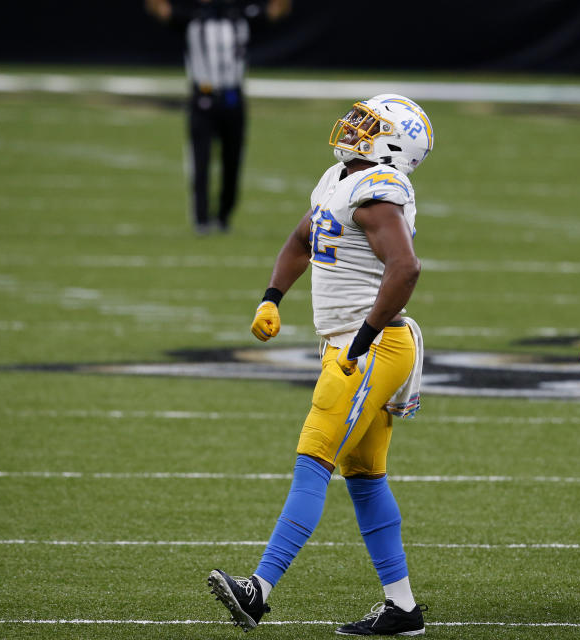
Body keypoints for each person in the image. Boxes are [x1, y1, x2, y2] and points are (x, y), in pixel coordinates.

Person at [206, 94, 433, 635]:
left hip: (371, 347)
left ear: (394, 143)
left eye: (368, 124)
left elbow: (405, 268)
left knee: (314, 458)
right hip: (357, 343)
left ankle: (258, 590)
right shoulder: (339, 177)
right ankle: (402, 609)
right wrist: (271, 296)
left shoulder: (377, 190)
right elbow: (301, 239)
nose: (353, 128)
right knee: (365, 477)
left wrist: (359, 343)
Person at [144, 0, 290, 234]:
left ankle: (223, 217)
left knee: (232, 161)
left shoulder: (241, 17)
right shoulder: (191, 18)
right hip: (202, 99)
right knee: (199, 162)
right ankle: (201, 220)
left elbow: (277, 10)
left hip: (233, 100)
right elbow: (159, 9)